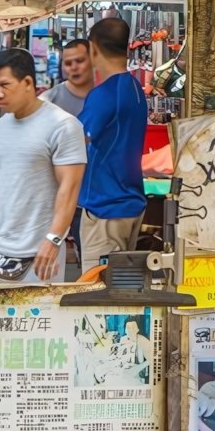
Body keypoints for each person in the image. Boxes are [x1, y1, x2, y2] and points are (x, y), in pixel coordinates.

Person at [0, 49, 86, 284]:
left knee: (36, 321)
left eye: (5, 85)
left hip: (40, 254)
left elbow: (69, 189)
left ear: (28, 82)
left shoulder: (64, 126)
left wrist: (53, 240)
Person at [78, 18, 148, 267]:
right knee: (120, 291)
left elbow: (75, 139)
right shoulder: (134, 87)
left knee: (97, 290)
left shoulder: (104, 94)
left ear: (92, 48)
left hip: (106, 209)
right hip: (128, 204)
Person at [43, 38, 94, 116]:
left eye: (80, 60)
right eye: (68, 63)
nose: (74, 67)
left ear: (93, 59)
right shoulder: (48, 99)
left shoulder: (112, 95)